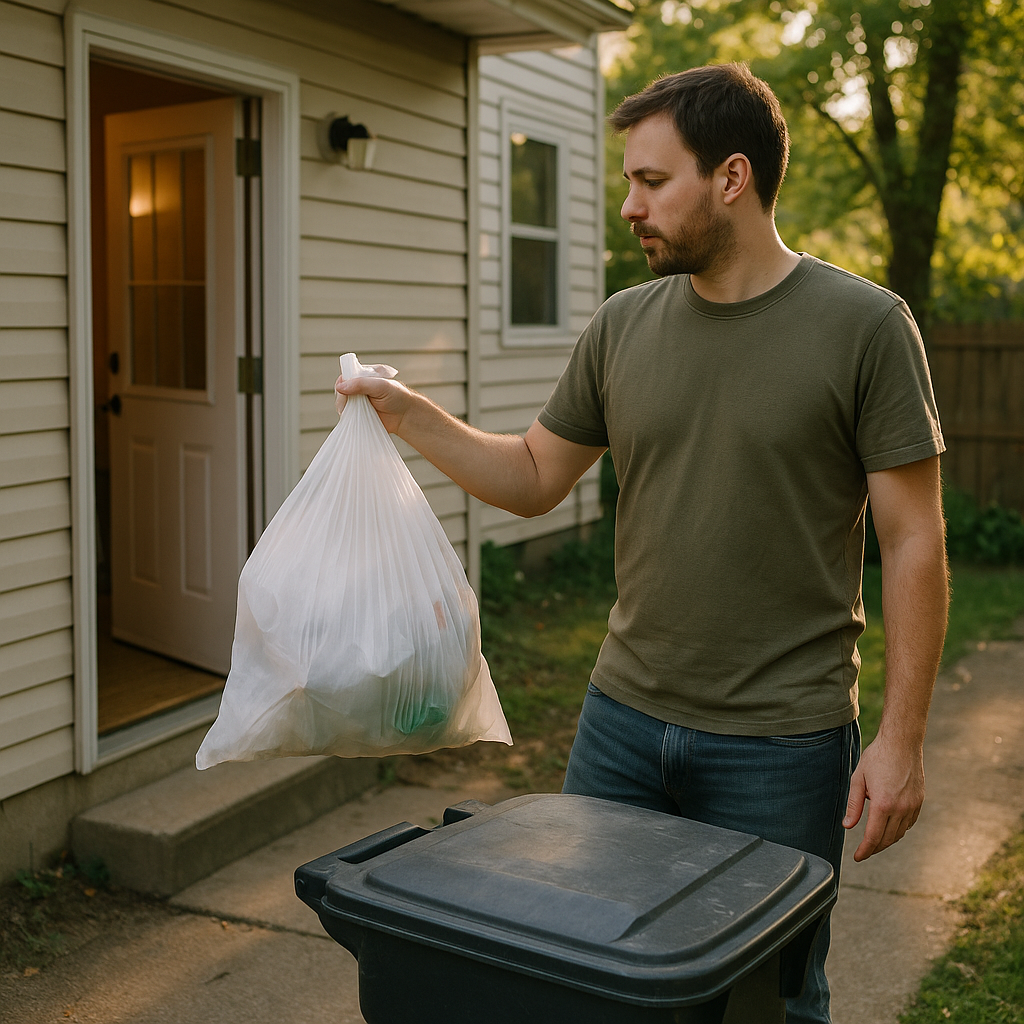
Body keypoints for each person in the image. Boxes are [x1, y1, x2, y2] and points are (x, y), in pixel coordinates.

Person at [337, 62, 949, 1023]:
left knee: (774, 996)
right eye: (630, 181)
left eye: (651, 181)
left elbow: (915, 542)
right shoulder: (624, 325)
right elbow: (536, 476)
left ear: (732, 179)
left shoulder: (865, 327)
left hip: (781, 741)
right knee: (594, 976)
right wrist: (405, 412)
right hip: (621, 722)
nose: (629, 205)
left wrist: (904, 739)